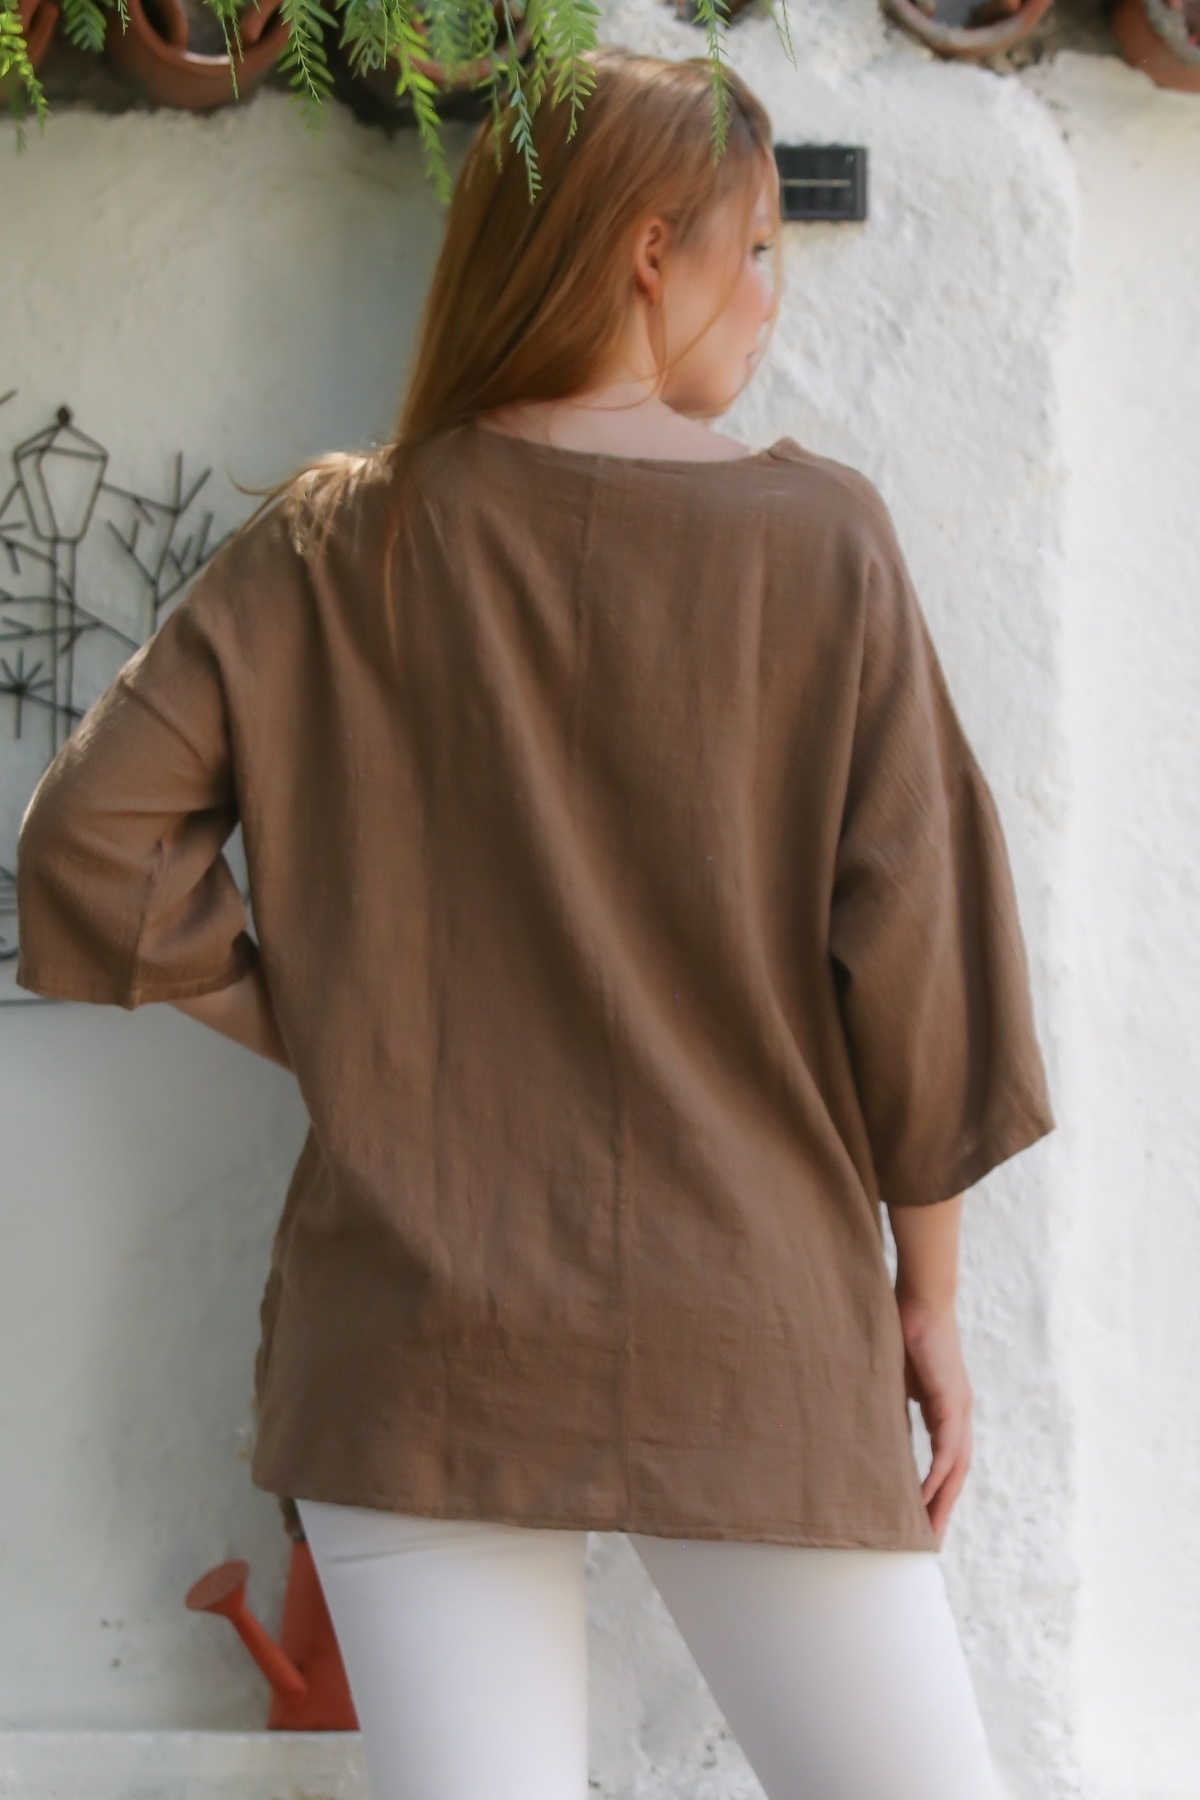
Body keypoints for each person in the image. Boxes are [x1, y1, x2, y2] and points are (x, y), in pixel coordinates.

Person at [15, 45, 1055, 1800]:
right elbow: (919, 969)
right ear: (649, 253)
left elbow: (93, 845)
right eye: (754, 249)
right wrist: (930, 1304)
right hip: (749, 1322)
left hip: (416, 1338)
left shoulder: (333, 542)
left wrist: (331, 1023)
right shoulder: (820, 545)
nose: (771, 297)